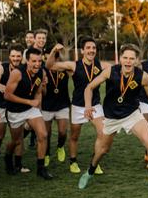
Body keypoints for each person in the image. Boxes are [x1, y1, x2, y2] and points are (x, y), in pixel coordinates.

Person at [77, 44, 148, 196]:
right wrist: (88, 106)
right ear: (120, 59)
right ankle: (89, 171)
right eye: (125, 58)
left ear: (136, 60)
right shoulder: (110, 71)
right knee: (102, 151)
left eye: (131, 58)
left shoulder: (142, 76)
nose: (128, 61)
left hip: (132, 114)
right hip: (111, 118)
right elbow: (89, 87)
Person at [46, 37, 109, 174]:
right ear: (82, 51)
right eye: (88, 48)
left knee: (103, 133)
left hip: (95, 105)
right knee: (74, 136)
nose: (91, 50)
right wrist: (53, 51)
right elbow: (50, 66)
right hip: (78, 106)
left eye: (93, 48)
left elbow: (118, 71)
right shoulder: (73, 66)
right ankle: (73, 161)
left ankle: (95, 161)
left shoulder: (102, 65)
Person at [2, 47, 53, 179]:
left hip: (31, 109)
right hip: (15, 110)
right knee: (16, 141)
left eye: (39, 61)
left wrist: (38, 106)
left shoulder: (41, 72)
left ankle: (41, 168)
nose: (37, 64)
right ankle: (8, 157)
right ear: (27, 61)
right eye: (34, 61)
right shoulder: (17, 73)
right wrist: (29, 102)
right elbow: (7, 95)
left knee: (43, 135)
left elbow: (38, 92)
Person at [0, 44, 26, 172]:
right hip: (2, 106)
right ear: (9, 56)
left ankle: (18, 164)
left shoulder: (24, 68)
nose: (16, 58)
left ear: (22, 56)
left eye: (18, 56)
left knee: (18, 137)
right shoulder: (3, 67)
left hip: (17, 107)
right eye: (13, 56)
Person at [41, 50, 71, 166]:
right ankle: (47, 154)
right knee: (46, 134)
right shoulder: (43, 71)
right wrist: (43, 85)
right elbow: (42, 92)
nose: (51, 61)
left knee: (62, 132)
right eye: (48, 59)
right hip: (47, 106)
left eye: (54, 58)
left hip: (62, 104)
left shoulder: (64, 69)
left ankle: (60, 146)